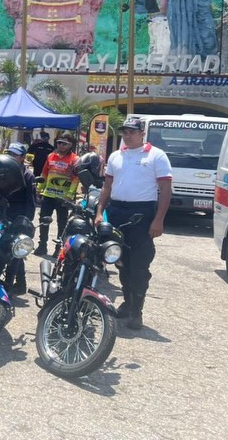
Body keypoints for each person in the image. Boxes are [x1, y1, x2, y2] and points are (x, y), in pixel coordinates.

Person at [95, 118, 172, 331]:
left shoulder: (156, 155)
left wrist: (158, 220)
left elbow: (165, 191)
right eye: (124, 132)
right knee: (121, 261)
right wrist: (100, 212)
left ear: (142, 133)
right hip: (117, 212)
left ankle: (137, 311)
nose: (127, 136)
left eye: (132, 132)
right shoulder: (116, 156)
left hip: (142, 214)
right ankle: (127, 303)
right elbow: (106, 187)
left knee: (139, 265)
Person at [0, 142, 36, 295]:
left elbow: (30, 201)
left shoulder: (28, 175)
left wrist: (27, 221)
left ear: (23, 157)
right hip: (1, 214)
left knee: (16, 252)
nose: (12, 157)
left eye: (16, 154)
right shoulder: (1, 169)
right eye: (10, 153)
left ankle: (14, 284)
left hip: (19, 217)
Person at [36, 131, 79, 256]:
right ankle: (42, 245)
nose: (61, 146)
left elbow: (76, 179)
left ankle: (58, 248)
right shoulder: (50, 156)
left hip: (63, 198)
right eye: (59, 143)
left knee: (62, 223)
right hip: (48, 195)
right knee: (43, 220)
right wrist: (39, 188)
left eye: (64, 144)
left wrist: (70, 195)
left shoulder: (75, 159)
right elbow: (44, 173)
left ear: (70, 145)